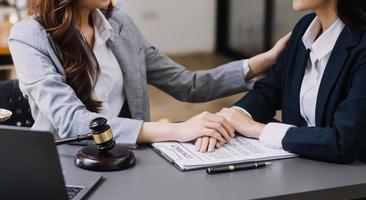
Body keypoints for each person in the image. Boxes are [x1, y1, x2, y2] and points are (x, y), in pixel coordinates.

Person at [8, 0, 290, 146]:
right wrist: (175, 130)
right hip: (66, 164)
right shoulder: (28, 36)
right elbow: (71, 122)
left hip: (125, 156)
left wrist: (265, 60)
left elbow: (188, 85)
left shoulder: (120, 23)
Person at [197, 0, 366, 163]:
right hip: (299, 168)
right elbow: (269, 90)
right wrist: (226, 121)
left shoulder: (361, 46)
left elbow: (344, 141)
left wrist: (255, 128)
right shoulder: (304, 28)